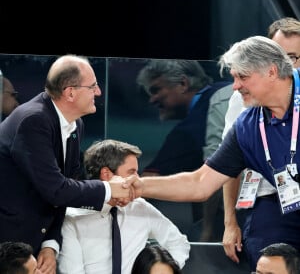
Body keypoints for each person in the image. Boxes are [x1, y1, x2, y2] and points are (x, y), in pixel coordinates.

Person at [130, 35, 300, 273]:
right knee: (265, 256)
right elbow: (199, 183)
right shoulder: (247, 125)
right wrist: (138, 186)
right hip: (284, 207)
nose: (235, 86)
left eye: (243, 77)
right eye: (234, 78)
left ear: (271, 72)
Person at [0, 54, 137, 274]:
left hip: (33, 243)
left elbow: (64, 190)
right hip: (7, 250)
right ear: (70, 92)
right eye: (92, 86)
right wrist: (108, 188)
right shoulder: (33, 121)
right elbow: (56, 189)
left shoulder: (74, 124)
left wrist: (50, 244)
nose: (99, 92)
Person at [222, 17, 300, 269]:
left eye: (295, 57)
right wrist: (229, 222)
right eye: (282, 57)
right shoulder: (244, 98)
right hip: (268, 200)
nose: (289, 65)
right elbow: (225, 166)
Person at [58, 139, 190, 274]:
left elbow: (179, 244)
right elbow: (72, 271)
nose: (137, 179)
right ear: (106, 174)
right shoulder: (73, 217)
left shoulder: (140, 208)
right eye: (132, 172)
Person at [136, 59, 232, 241]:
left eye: (156, 90)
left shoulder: (189, 130)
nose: (152, 99)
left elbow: (149, 181)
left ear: (183, 83)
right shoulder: (225, 89)